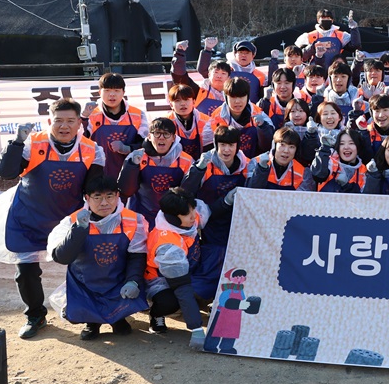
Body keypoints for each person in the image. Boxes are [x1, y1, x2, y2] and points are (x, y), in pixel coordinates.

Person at [0, 99, 105, 338]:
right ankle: (35, 315)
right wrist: (16, 141)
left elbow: (93, 188)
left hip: (66, 220)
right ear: (49, 122)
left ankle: (89, 315)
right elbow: (7, 173)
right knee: (26, 272)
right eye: (59, 121)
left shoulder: (92, 150)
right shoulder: (32, 143)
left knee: (86, 266)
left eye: (70, 121)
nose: (64, 126)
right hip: (28, 218)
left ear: (79, 123)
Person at [47, 176, 148, 340]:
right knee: (75, 312)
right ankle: (91, 322)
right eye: (97, 197)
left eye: (109, 196)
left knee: (131, 295)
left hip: (117, 280)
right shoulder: (71, 221)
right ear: (87, 198)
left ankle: (118, 318)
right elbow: (62, 257)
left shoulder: (134, 220)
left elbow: (137, 256)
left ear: (117, 196)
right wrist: (79, 230)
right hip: (84, 282)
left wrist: (133, 280)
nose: (104, 203)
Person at [180, 126, 249, 299]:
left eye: (231, 145)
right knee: (213, 263)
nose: (226, 150)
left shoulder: (247, 165)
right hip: (210, 225)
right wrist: (198, 169)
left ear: (237, 146)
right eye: (222, 145)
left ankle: (232, 298)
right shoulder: (206, 164)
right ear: (216, 146)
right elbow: (185, 192)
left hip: (238, 226)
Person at [144, 187, 207, 349]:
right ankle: (156, 313)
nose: (194, 216)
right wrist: (196, 328)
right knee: (170, 301)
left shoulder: (186, 219)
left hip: (188, 269)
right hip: (161, 279)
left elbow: (207, 213)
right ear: (173, 217)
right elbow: (181, 286)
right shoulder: (167, 246)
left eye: (193, 210)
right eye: (188, 214)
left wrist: (227, 201)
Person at [118, 117, 195, 228]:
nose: (161, 138)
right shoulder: (137, 156)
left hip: (173, 217)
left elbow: (189, 193)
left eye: (166, 134)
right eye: (157, 133)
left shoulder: (186, 160)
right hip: (141, 214)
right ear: (149, 136)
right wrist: (132, 165)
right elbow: (125, 190)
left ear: (174, 138)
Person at [82, 72, 148, 179]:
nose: (112, 95)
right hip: (98, 176)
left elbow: (146, 145)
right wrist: (83, 118)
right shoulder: (91, 114)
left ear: (123, 92)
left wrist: (127, 148)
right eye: (107, 90)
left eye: (116, 91)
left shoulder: (138, 115)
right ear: (99, 92)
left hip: (130, 176)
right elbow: (80, 141)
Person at [203, 77, 274, 158]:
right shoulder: (216, 118)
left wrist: (263, 127)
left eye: (241, 97)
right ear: (226, 98)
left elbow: (269, 146)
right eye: (233, 97)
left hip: (254, 162)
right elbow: (207, 148)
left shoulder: (258, 113)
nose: (237, 101)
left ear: (247, 97)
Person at [171, 37, 231, 115]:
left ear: (229, 77)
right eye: (216, 72)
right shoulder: (198, 90)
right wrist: (179, 52)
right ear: (209, 74)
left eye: (223, 73)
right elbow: (179, 76)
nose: (219, 76)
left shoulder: (233, 94)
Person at [295, 8, 361, 69]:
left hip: (335, 68)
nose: (326, 19)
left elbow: (355, 45)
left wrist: (354, 28)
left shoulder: (341, 35)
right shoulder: (309, 36)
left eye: (328, 18)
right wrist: (313, 47)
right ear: (318, 20)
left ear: (332, 20)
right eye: (323, 17)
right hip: (316, 69)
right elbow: (301, 55)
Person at [166, 84, 210, 161]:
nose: (183, 103)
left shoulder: (207, 121)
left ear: (193, 102)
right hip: (175, 166)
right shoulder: (164, 123)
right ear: (171, 105)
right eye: (177, 100)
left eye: (186, 99)